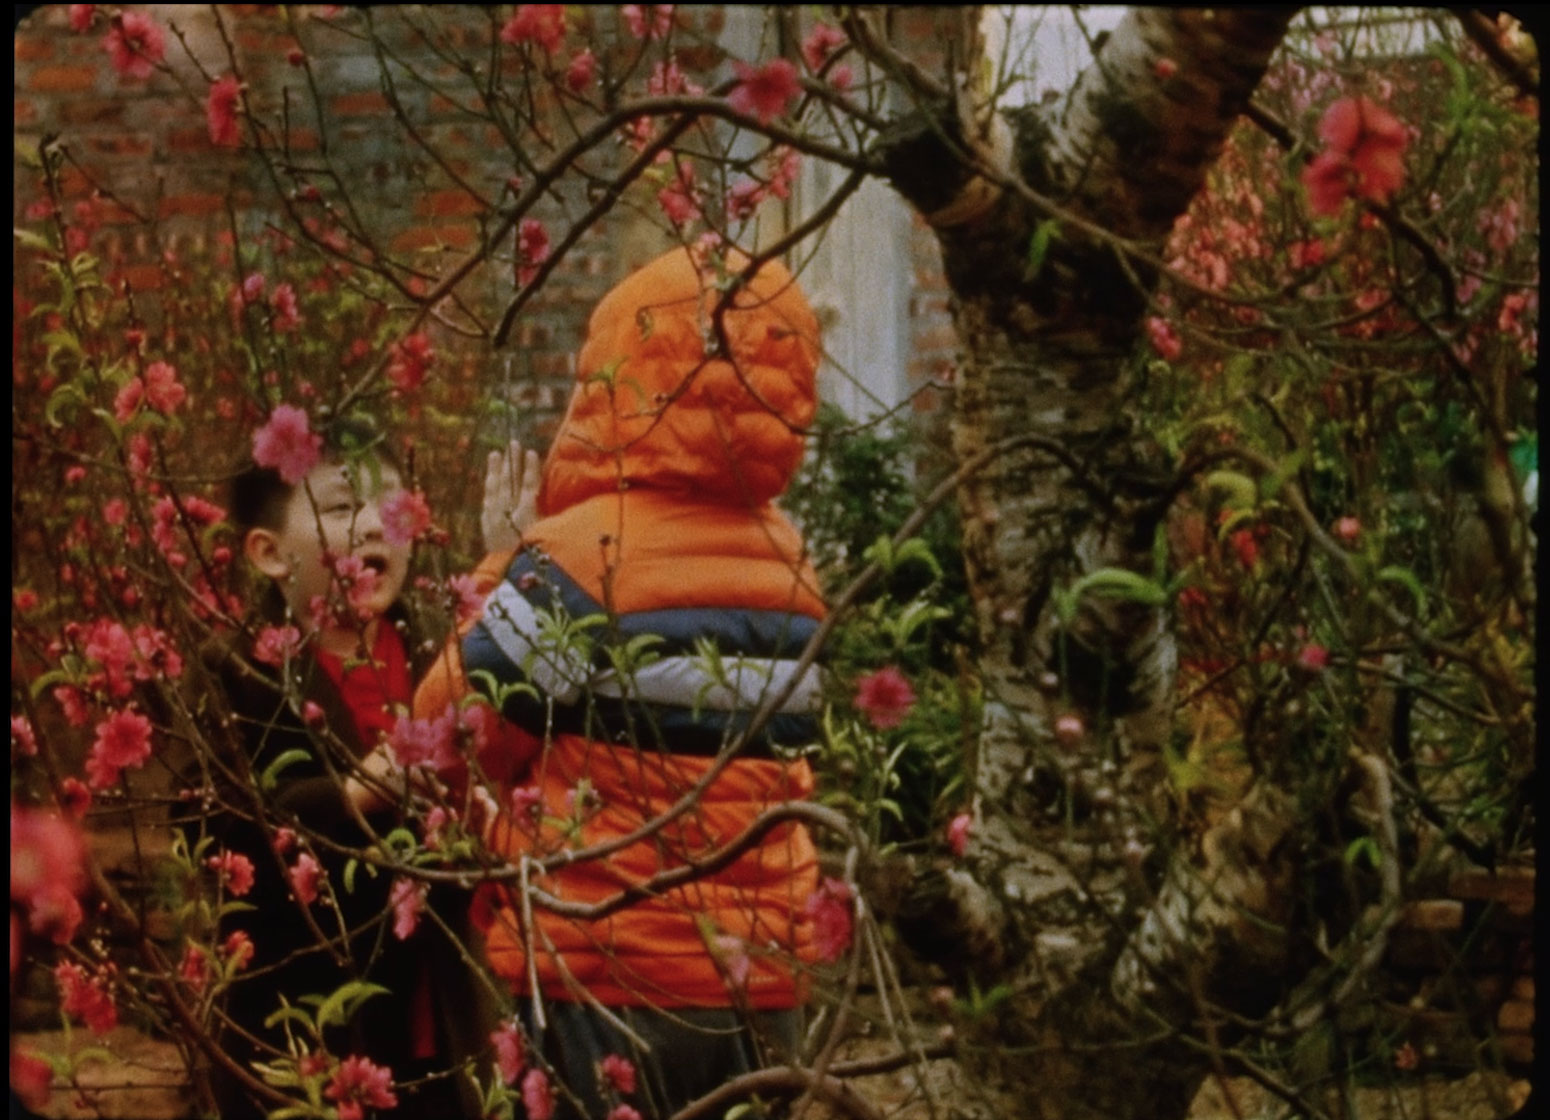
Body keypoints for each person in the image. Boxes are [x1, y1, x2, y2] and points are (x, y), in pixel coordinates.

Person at [413, 246, 829, 1118]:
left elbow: (452, 734)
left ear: (619, 381)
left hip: (604, 981)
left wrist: (503, 563)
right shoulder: (795, 572)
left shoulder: (582, 560)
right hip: (760, 991)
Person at [184, 417, 536, 1119]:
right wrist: (349, 794)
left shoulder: (446, 652)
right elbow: (207, 827)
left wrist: (513, 565)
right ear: (269, 553)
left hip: (441, 1016)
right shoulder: (238, 674)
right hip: (306, 1023)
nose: (376, 525)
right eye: (343, 507)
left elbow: (521, 740)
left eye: (392, 506)